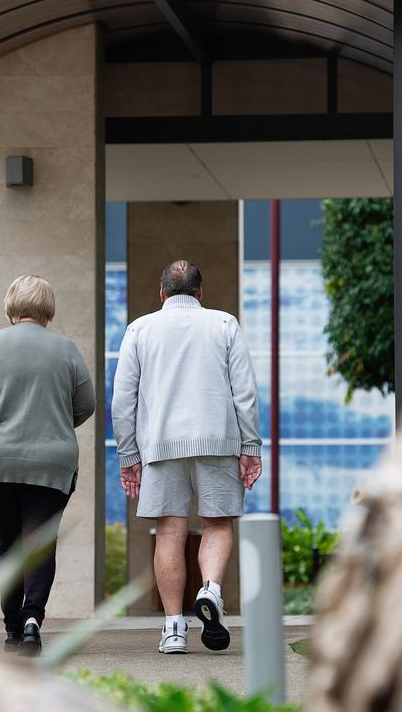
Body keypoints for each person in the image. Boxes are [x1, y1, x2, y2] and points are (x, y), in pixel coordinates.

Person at [112, 260, 261, 655]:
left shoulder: (139, 329)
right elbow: (244, 393)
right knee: (217, 525)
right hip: (217, 441)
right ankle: (209, 589)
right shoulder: (225, 324)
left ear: (162, 294)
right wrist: (250, 448)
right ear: (200, 293)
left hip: (160, 446)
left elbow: (122, 401)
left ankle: (174, 629)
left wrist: (129, 454)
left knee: (169, 532)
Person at [0, 274, 95, 656]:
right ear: (47, 307)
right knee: (39, 541)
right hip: (52, 462)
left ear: (11, 304)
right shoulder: (66, 349)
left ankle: (11, 629)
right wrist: (52, 421)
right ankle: (33, 619)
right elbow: (86, 405)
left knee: (9, 541)